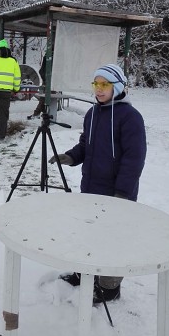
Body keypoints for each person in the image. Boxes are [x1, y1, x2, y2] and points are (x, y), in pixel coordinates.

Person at [49, 63, 147, 304]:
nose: (99, 89)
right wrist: (71, 156)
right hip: (90, 187)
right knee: (88, 230)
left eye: (105, 85)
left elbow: (134, 159)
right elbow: (86, 144)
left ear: (118, 87)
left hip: (117, 193)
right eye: (96, 84)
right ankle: (84, 272)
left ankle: (110, 286)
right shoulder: (93, 113)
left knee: (113, 239)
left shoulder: (130, 117)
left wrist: (122, 192)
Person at [27, 54, 46, 119]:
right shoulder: (55, 57)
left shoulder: (47, 56)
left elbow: (41, 71)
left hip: (47, 80)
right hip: (50, 80)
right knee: (44, 98)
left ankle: (39, 113)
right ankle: (40, 113)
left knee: (43, 98)